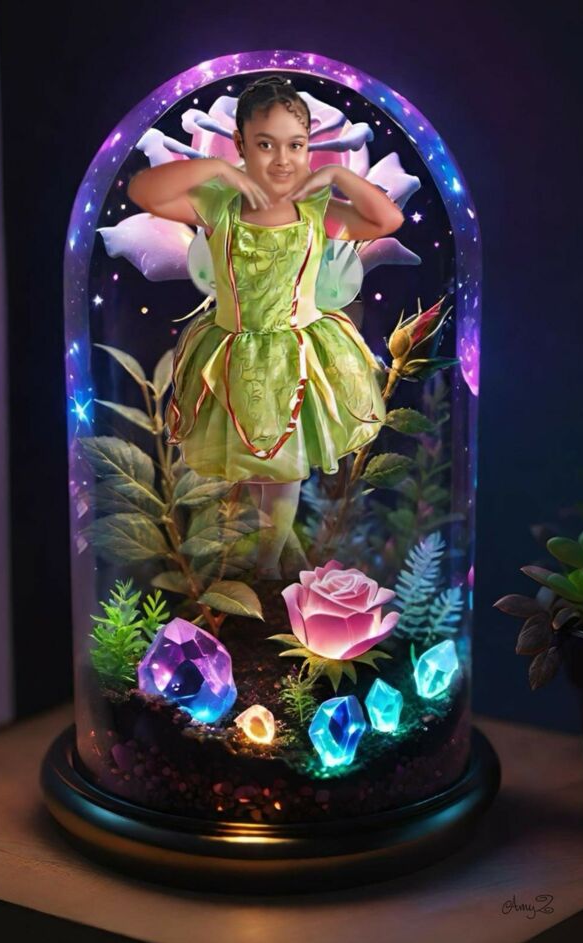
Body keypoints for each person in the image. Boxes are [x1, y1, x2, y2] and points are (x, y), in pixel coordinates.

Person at [127, 75, 405, 579]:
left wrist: (335, 175)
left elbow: (386, 221)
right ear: (241, 144)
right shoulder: (219, 204)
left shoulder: (315, 209)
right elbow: (144, 191)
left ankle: (265, 570)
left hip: (298, 356)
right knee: (253, 469)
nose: (282, 159)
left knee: (283, 472)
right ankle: (260, 569)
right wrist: (217, 169)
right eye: (265, 144)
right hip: (234, 354)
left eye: (295, 145)